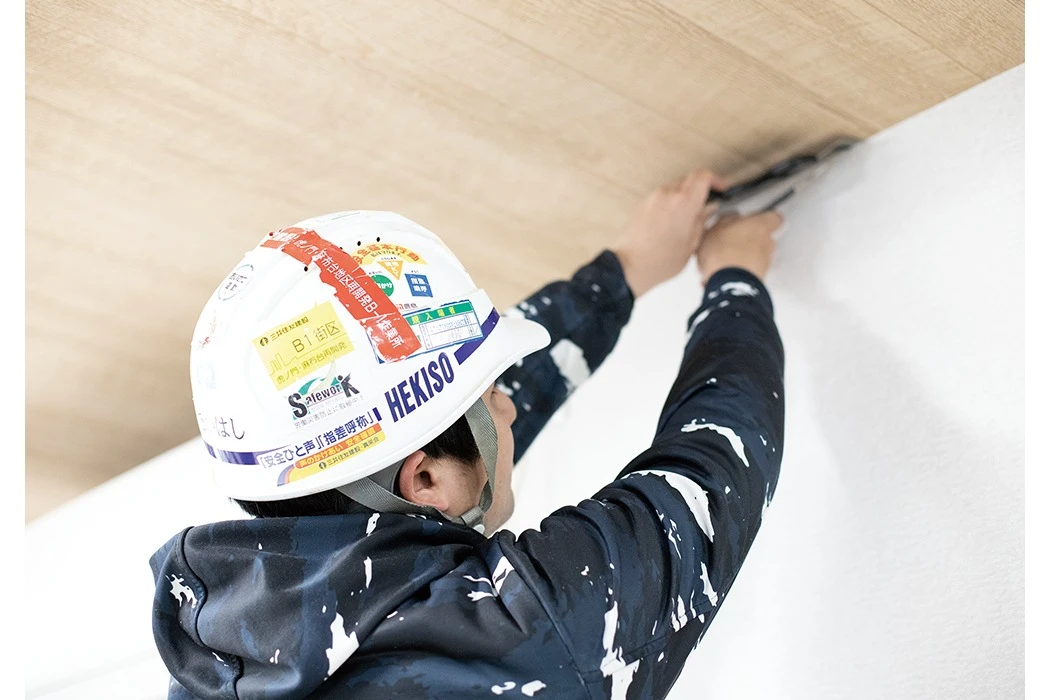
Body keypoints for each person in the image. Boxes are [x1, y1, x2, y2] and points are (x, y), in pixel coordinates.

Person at [150, 168, 785, 699]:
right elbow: (712, 467)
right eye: (492, 398)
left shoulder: (216, 652)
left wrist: (622, 273)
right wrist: (734, 279)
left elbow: (439, 437)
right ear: (424, 479)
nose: (509, 410)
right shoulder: (514, 641)